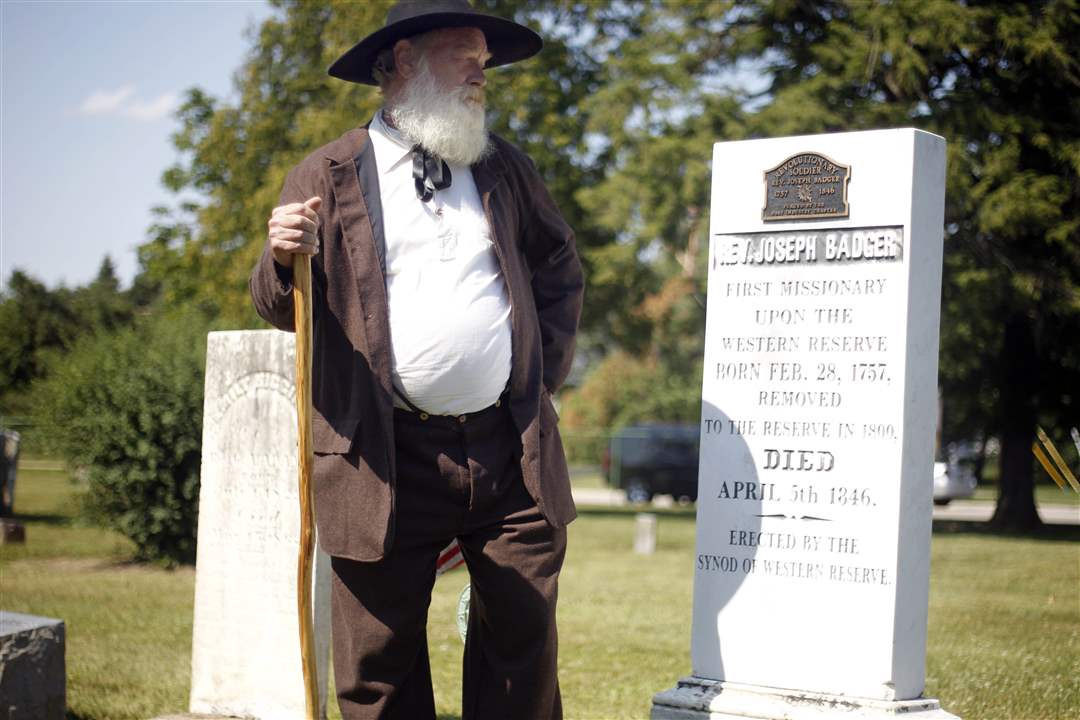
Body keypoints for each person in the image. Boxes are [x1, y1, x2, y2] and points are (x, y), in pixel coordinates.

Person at [249, 1, 583, 718]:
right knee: (380, 665)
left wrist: (537, 376)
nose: (481, 71)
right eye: (465, 54)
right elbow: (282, 307)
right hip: (383, 455)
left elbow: (559, 262)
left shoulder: (502, 168)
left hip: (509, 450)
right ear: (402, 61)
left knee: (522, 652)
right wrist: (280, 259)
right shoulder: (325, 174)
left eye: (485, 60)